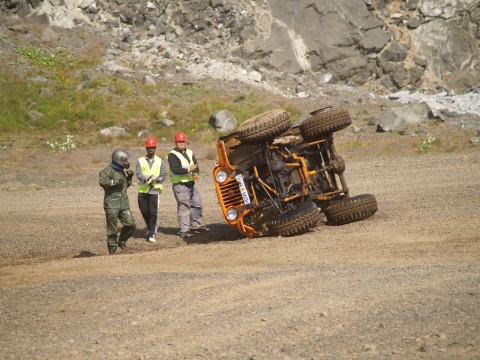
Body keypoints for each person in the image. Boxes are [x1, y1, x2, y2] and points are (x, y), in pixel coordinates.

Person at [167, 131, 209, 239]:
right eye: (179, 141)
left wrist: (195, 173)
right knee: (184, 206)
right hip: (180, 185)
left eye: (183, 141)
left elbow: (196, 166)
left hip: (191, 183)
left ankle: (196, 225)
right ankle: (184, 230)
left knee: (197, 203)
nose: (181, 143)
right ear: (175, 142)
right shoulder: (172, 155)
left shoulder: (190, 152)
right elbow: (176, 169)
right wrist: (188, 169)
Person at [98, 149, 136, 254]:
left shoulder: (121, 171)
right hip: (111, 204)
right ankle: (112, 250)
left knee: (131, 224)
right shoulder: (108, 170)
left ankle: (122, 241)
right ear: (119, 159)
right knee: (112, 229)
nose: (127, 162)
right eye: (125, 160)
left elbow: (124, 186)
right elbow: (102, 182)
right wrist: (115, 182)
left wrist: (129, 178)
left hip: (123, 203)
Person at [135, 136, 166, 243]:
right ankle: (150, 226)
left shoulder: (160, 161)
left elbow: (163, 175)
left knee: (153, 212)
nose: (151, 149)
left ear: (155, 148)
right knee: (144, 211)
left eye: (152, 147)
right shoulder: (140, 161)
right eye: (149, 147)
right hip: (143, 190)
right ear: (146, 148)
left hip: (154, 190)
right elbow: (138, 174)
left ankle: (152, 233)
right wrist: (146, 178)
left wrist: (157, 180)